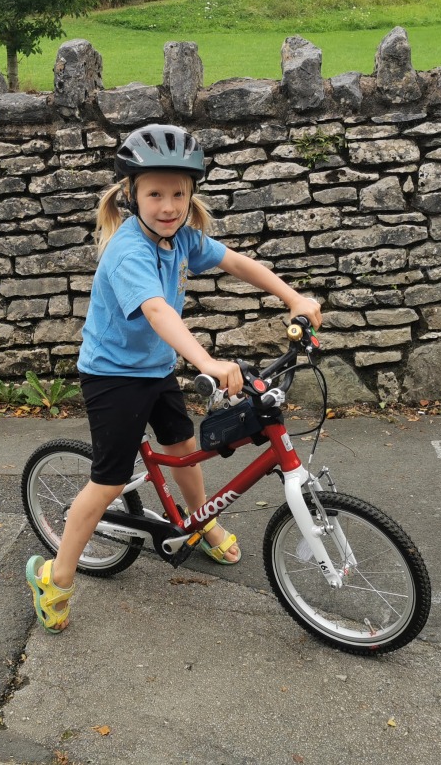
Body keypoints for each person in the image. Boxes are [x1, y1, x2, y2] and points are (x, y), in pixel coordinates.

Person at [26, 123, 323, 633]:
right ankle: (56, 576)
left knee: (185, 447)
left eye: (178, 194)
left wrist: (294, 298)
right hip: (112, 377)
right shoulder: (128, 252)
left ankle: (202, 522)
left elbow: (237, 262)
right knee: (109, 480)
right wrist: (207, 363)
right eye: (155, 193)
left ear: (191, 196)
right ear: (131, 195)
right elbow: (159, 312)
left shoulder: (182, 238)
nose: (168, 204)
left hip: (155, 369)